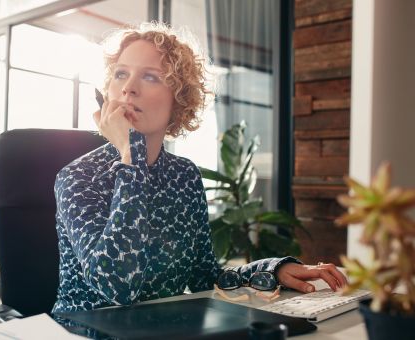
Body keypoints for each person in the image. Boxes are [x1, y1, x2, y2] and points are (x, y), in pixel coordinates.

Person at [51, 22, 347, 313]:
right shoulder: (78, 177)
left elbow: (204, 276)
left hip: (166, 330)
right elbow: (117, 286)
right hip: (84, 332)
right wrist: (130, 157)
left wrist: (274, 270)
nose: (129, 88)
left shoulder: (184, 175)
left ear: (178, 100)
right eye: (121, 74)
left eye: (151, 77)